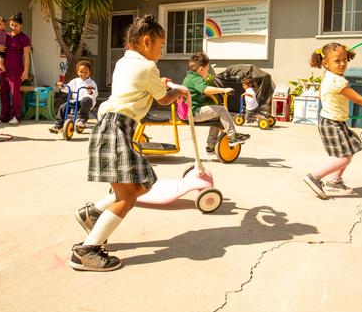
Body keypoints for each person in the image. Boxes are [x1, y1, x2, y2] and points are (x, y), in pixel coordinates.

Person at [70, 15, 189, 272]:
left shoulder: (124, 62)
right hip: (117, 128)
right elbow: (164, 99)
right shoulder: (148, 67)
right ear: (146, 42)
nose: (161, 51)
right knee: (127, 198)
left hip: (110, 126)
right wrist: (178, 91)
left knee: (141, 184)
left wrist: (161, 83)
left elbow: (143, 87)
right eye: (161, 45)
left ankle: (92, 214)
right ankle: (87, 250)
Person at [302, 43, 362, 199]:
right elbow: (359, 99)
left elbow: (321, 94)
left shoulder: (329, 76)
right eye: (337, 61)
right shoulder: (338, 81)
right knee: (343, 157)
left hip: (334, 121)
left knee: (349, 151)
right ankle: (315, 177)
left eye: (344, 59)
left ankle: (334, 181)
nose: (343, 64)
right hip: (331, 122)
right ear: (326, 63)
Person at [182, 52, 250, 154]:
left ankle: (211, 146)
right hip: (194, 112)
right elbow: (205, 89)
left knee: (217, 116)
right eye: (207, 69)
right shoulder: (196, 79)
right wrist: (223, 90)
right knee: (222, 109)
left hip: (190, 111)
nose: (207, 71)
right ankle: (232, 136)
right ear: (201, 69)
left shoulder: (189, 77)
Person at [0, 11, 31, 125]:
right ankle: (3, 116)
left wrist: (25, 71)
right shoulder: (5, 36)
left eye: (16, 25)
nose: (13, 27)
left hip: (16, 69)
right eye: (11, 25)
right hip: (2, 68)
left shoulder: (24, 38)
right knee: (3, 91)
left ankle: (15, 116)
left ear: (21, 26)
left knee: (14, 92)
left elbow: (26, 57)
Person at [50, 60, 99, 133]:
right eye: (81, 72)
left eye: (86, 72)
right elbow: (67, 88)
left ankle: (83, 120)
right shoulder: (75, 81)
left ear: (90, 72)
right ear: (77, 72)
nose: (83, 74)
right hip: (76, 101)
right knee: (63, 107)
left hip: (87, 102)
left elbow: (95, 94)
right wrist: (62, 86)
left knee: (85, 100)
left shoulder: (92, 83)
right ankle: (59, 125)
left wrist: (90, 91)